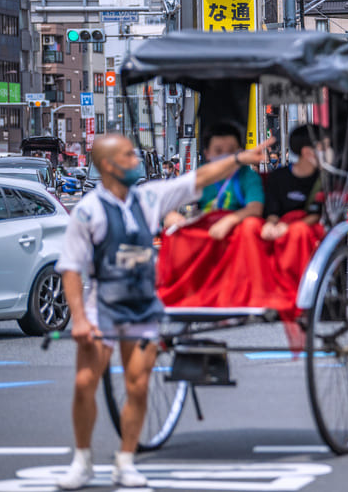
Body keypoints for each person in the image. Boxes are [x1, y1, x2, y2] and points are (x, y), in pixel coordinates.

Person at [55, 133, 275, 489]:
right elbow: (70, 267)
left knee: (138, 385)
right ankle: (82, 458)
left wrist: (238, 160)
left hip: (143, 307)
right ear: (110, 165)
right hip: (103, 306)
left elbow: (198, 179)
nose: (136, 160)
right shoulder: (87, 211)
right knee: (84, 383)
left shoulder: (149, 197)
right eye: (129, 155)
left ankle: (126, 459)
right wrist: (78, 319)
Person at [164, 123, 265, 240]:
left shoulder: (248, 175)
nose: (226, 156)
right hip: (204, 233)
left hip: (237, 235)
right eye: (218, 151)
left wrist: (231, 220)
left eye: (231, 151)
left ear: (240, 152)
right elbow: (171, 198)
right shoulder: (201, 175)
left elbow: (255, 208)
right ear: (207, 154)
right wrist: (171, 216)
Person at [261, 125, 325, 240]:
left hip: (306, 231)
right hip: (281, 226)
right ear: (307, 152)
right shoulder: (278, 177)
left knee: (300, 231)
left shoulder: (324, 180)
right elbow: (272, 211)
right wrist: (271, 226)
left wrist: (290, 228)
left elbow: (316, 214)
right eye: (323, 148)